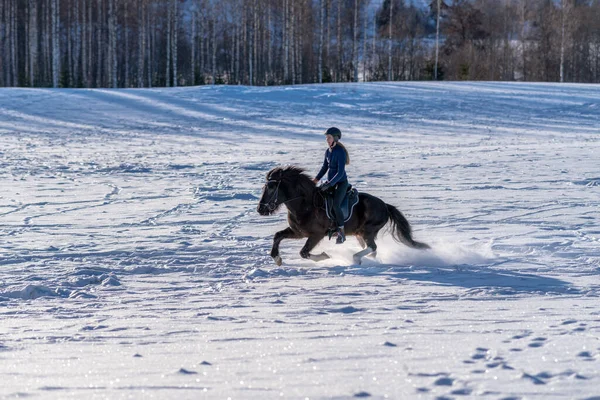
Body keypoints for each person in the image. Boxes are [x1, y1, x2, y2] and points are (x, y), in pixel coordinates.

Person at [312, 127, 351, 244]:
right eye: (326, 138)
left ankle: (341, 231)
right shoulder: (328, 151)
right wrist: (316, 180)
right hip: (330, 183)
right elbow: (325, 167)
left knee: (335, 205)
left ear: (335, 138)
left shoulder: (340, 151)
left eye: (329, 137)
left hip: (341, 183)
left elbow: (340, 172)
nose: (327, 140)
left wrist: (330, 183)